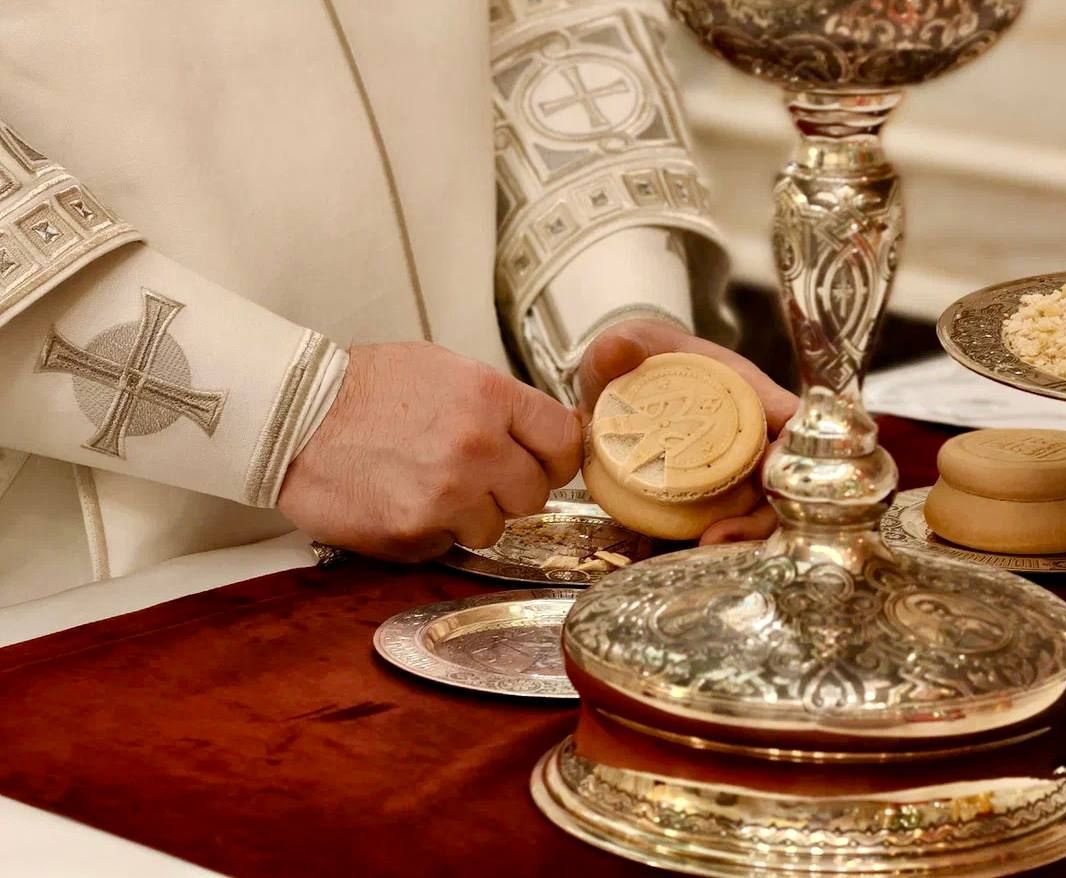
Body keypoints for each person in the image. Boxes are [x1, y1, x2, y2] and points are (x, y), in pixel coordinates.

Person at [0, 0, 795, 613]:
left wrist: (624, 346)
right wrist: (285, 412)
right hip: (91, 599)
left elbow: (545, 25)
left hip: (499, 533)